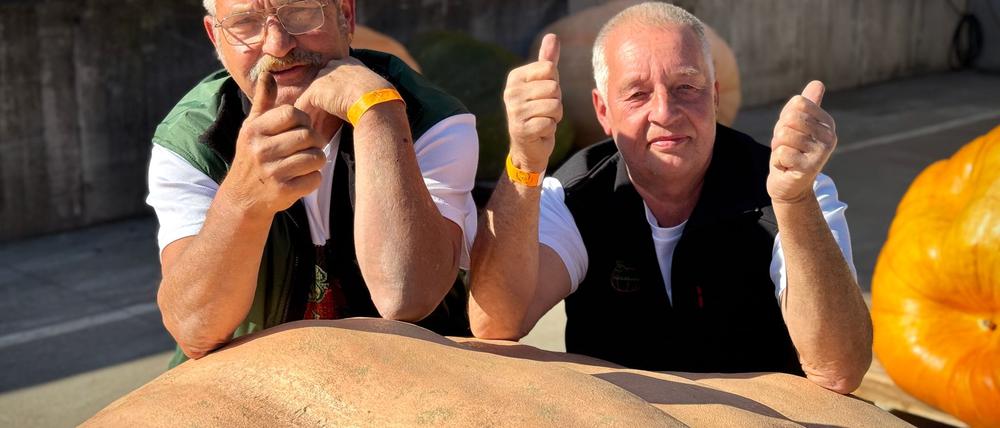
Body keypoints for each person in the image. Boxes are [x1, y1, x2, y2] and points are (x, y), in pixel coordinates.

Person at [469, 2, 873, 394]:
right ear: (603, 110)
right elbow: (496, 324)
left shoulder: (792, 192)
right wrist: (523, 161)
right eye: (637, 94)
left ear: (714, 96)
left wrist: (794, 203)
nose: (665, 111)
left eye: (686, 87)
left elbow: (839, 370)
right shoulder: (575, 195)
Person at [147, 0, 478, 367]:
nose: (277, 46)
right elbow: (194, 329)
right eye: (245, 23)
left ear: (346, 16)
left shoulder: (430, 118)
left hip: (405, 379)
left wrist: (378, 114)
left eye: (301, 12)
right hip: (252, 388)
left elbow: (406, 296)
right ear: (215, 38)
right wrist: (242, 199)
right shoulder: (191, 138)